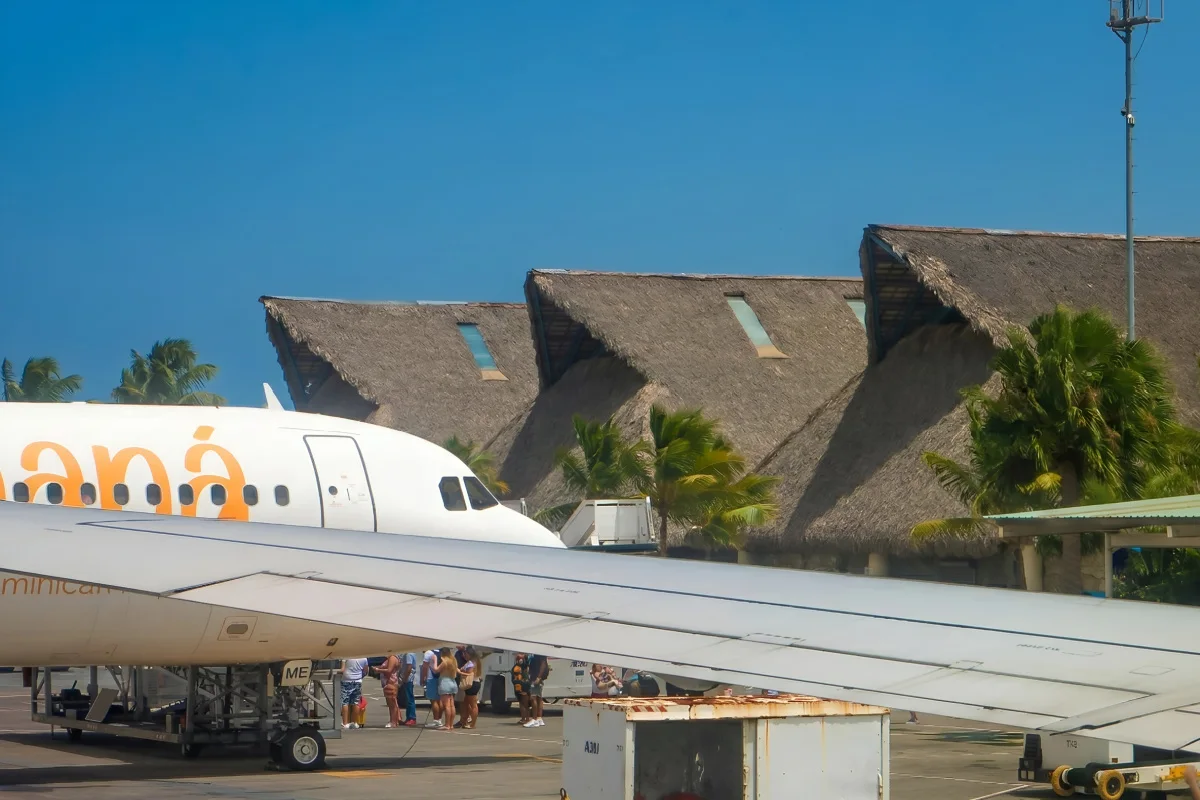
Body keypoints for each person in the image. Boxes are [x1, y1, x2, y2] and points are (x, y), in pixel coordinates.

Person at [372, 653, 402, 728]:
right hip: (388, 682)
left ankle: (393, 722)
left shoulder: (392, 657)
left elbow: (389, 670)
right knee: (391, 703)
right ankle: (393, 720)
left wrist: (378, 670)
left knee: (392, 703)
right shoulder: (391, 658)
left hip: (390, 682)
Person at [435, 646, 460, 731]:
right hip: (452, 682)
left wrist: (434, 661)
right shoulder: (453, 661)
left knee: (446, 706)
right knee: (451, 705)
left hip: (445, 683)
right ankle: (451, 724)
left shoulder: (445, 662)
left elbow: (436, 670)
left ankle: (447, 724)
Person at [340, 656, 368, 729]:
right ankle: (354, 722)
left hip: (346, 680)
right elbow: (366, 671)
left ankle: (345, 723)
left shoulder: (346, 656)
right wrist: (360, 676)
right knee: (355, 702)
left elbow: (342, 670)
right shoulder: (364, 658)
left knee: (345, 702)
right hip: (358, 680)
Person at [523, 653, 550, 728]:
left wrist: (538, 677)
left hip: (536, 677)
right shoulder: (534, 652)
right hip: (534, 676)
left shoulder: (539, 652)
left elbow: (543, 663)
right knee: (539, 698)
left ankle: (534, 719)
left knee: (533, 697)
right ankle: (539, 718)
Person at [458, 646, 481, 729]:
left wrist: (460, 672)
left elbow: (469, 673)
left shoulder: (471, 663)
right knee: (467, 703)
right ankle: (466, 721)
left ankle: (473, 724)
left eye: (465, 654)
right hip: (472, 683)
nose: (464, 655)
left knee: (473, 704)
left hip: (472, 683)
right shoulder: (472, 662)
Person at [421, 648, 442, 728]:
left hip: (431, 678)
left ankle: (436, 720)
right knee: (439, 700)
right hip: (439, 678)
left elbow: (425, 667)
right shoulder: (440, 652)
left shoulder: (428, 653)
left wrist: (423, 678)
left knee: (433, 701)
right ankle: (439, 719)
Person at [511, 652, 531, 725]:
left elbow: (514, 677)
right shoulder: (525, 667)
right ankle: (524, 718)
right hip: (521, 686)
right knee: (523, 703)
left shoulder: (520, 667)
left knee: (524, 704)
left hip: (522, 686)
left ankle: (527, 719)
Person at [399, 651, 418, 726]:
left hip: (408, 679)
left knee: (409, 699)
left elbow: (409, 667)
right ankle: (408, 717)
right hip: (409, 679)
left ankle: (412, 718)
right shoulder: (412, 653)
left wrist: (405, 678)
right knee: (408, 699)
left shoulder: (408, 654)